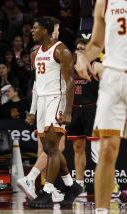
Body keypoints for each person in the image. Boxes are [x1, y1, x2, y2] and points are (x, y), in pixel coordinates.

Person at [24, 16, 82, 208]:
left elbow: (70, 83)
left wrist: (67, 110)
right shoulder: (36, 51)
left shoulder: (61, 50)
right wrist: (32, 110)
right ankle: (71, 185)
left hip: (56, 100)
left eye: (36, 28)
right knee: (51, 149)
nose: (32, 31)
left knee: (51, 147)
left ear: (47, 30)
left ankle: (47, 192)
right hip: (41, 101)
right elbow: (36, 84)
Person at [75, 0, 127, 213]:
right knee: (106, 150)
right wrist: (83, 57)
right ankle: (102, 211)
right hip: (112, 77)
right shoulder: (103, 3)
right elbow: (96, 44)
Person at [17, 18, 67, 203]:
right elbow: (41, 84)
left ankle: (48, 186)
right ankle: (39, 183)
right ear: (51, 30)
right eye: (58, 28)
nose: (59, 31)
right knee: (56, 147)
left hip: (42, 103)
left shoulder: (36, 51)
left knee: (46, 148)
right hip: (53, 99)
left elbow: (36, 86)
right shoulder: (58, 49)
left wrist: (32, 111)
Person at [67, 38, 100, 195]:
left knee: (97, 150)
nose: (80, 50)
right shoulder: (70, 67)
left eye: (83, 48)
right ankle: (80, 185)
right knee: (77, 147)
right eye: (78, 48)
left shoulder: (95, 65)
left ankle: (108, 184)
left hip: (92, 109)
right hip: (75, 109)